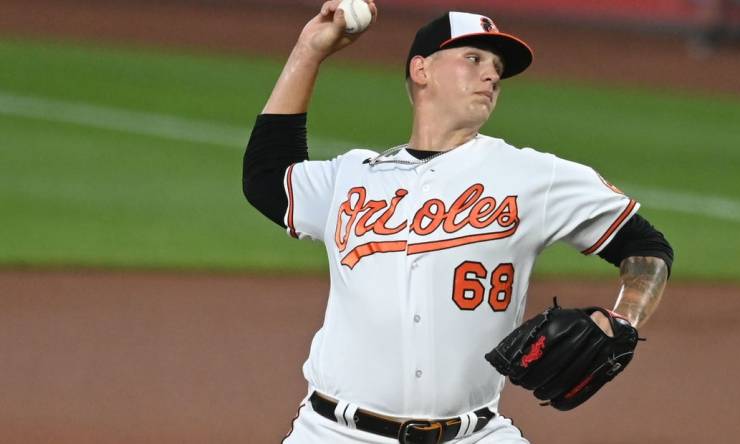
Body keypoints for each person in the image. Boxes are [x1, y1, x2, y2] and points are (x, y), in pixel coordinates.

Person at [242, 2, 673, 443]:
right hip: (334, 433)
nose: (492, 75)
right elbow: (265, 179)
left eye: (497, 67)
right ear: (421, 70)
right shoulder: (351, 177)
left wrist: (624, 321)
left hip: (476, 434)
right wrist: (308, 51)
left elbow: (647, 248)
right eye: (474, 59)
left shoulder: (534, 176)